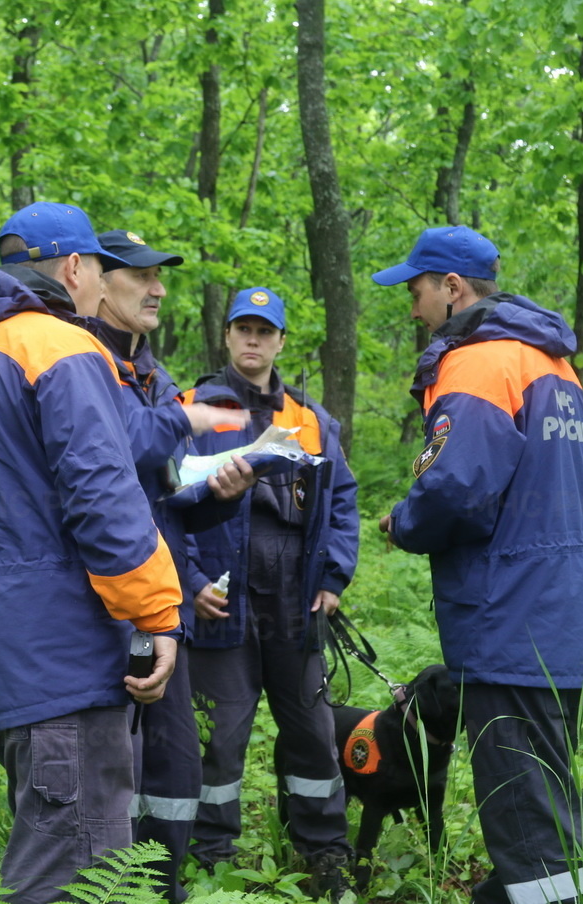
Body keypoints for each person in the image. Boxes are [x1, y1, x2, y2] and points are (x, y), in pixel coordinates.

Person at [0, 201, 186, 904]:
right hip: (65, 655)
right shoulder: (60, 347)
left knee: (50, 853)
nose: (103, 286)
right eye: (101, 269)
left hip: (2, 655)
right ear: (74, 268)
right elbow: (104, 498)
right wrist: (158, 615)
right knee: (73, 878)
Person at [372, 225, 583, 904]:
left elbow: (456, 489)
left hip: (508, 619)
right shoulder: (552, 363)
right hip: (557, 615)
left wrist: (403, 521)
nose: (412, 309)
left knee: (528, 821)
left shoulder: (478, 363)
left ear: (452, 287)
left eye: (416, 291)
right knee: (548, 800)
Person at [86, 229, 254, 902]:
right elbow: (110, 453)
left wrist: (221, 493)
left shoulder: (158, 381)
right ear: (95, 278)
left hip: (162, 608)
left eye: (161, 277)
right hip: (101, 606)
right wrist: (186, 420)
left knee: (176, 767)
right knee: (111, 766)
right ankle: (112, 887)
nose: (157, 289)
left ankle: (165, 887)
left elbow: (172, 500)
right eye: (141, 276)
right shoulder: (80, 364)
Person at [181, 287, 360, 900]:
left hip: (294, 601)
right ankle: (211, 859)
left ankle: (325, 852)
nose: (253, 340)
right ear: (228, 335)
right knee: (220, 738)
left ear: (281, 341)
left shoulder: (311, 421)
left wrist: (332, 579)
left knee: (312, 731)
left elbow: (341, 502)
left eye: (265, 331)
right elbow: (160, 505)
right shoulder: (191, 411)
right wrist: (191, 582)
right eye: (244, 329)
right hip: (220, 601)